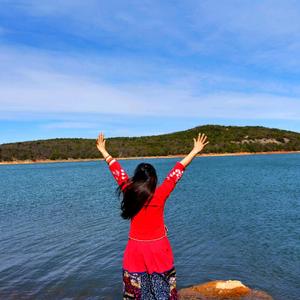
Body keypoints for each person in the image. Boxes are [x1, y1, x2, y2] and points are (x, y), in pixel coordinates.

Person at [96, 132, 209, 300]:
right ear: (154, 180)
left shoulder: (129, 191)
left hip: (134, 253)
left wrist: (103, 151)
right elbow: (176, 172)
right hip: (158, 252)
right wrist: (194, 151)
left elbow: (117, 171)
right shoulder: (160, 194)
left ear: (137, 179)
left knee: (137, 295)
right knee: (163, 294)